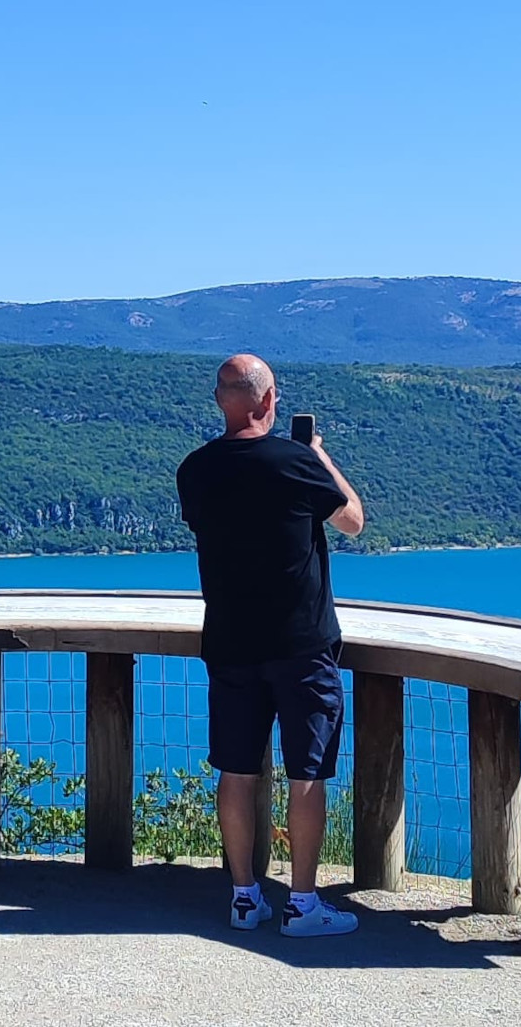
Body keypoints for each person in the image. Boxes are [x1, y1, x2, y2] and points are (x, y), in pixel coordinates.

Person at [176, 353, 368, 938]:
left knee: (236, 769)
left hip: (231, 640)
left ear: (220, 401)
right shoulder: (295, 462)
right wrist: (321, 458)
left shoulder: (196, 470)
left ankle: (243, 897)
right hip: (301, 643)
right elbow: (353, 520)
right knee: (306, 770)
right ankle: (303, 905)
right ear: (267, 401)